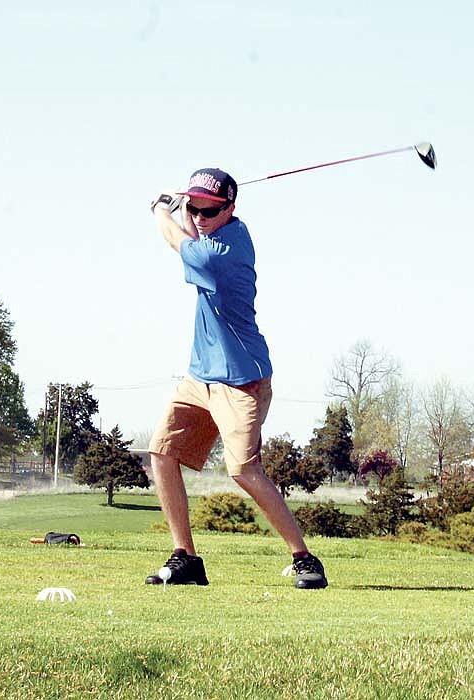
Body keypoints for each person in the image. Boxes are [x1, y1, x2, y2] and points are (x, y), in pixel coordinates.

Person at [146, 168, 327, 590]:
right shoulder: (220, 228)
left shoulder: (224, 255)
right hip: (200, 377)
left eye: (209, 209)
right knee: (161, 451)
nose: (200, 215)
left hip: (241, 381)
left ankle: (304, 558)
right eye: (194, 207)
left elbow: (178, 241)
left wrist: (160, 209)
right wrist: (186, 209)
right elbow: (193, 231)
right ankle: (185, 557)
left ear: (230, 208)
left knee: (243, 471)